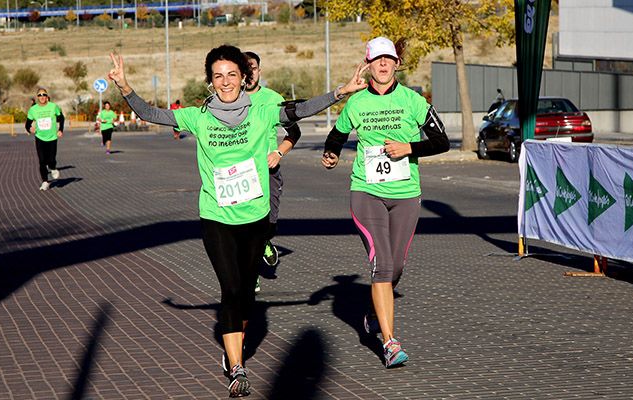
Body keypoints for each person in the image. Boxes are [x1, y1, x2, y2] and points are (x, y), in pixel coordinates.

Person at [108, 45, 368, 397]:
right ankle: (236, 366)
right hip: (216, 216)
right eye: (218, 76)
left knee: (245, 293)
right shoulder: (198, 117)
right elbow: (151, 113)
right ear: (210, 81)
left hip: (255, 216)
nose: (226, 81)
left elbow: (302, 109)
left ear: (244, 77)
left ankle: (235, 342)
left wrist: (341, 91)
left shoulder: (262, 112)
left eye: (232, 74)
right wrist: (124, 86)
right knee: (230, 290)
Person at [321, 36, 449, 368]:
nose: (382, 64)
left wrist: (410, 148)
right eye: (376, 59)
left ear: (396, 64)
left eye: (388, 59)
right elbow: (337, 134)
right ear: (368, 64)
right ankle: (390, 343)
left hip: (405, 195)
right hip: (367, 192)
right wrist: (331, 153)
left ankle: (373, 311)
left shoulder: (413, 101)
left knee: (397, 266)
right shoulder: (357, 103)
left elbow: (442, 141)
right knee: (382, 265)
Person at [244, 51, 301, 293]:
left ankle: (265, 240)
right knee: (243, 226)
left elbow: (294, 133)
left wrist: (278, 153)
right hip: (241, 172)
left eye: (253, 68)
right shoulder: (229, 99)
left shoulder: (273, 99)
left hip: (269, 170)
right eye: (245, 69)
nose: (250, 73)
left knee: (268, 225)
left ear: (259, 70)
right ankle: (251, 275)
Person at [25, 87, 64, 191]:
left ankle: (53, 168)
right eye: (40, 95)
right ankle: (45, 181)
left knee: (51, 159)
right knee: (42, 161)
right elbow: (27, 124)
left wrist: (61, 129)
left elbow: (61, 118)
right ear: (37, 97)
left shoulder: (53, 107)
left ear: (47, 97)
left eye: (44, 95)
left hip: (52, 138)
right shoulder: (33, 109)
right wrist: (29, 129)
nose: (42, 97)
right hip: (40, 138)